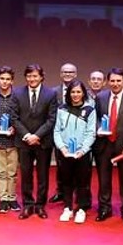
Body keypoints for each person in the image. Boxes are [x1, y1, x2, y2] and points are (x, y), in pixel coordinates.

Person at [92, 67, 123, 223]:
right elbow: (95, 118)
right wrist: (98, 129)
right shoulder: (100, 97)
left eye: (118, 81)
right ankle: (104, 208)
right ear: (108, 82)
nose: (115, 83)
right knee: (103, 180)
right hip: (104, 144)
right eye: (112, 81)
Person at [12, 64, 58, 220]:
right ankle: (27, 204)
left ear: (41, 77)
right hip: (24, 141)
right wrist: (27, 136)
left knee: (43, 175)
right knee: (26, 174)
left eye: (35, 76)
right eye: (29, 76)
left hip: (43, 142)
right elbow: (14, 118)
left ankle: (40, 205)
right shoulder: (17, 93)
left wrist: (37, 136)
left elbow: (51, 119)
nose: (32, 79)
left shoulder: (51, 94)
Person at [53, 80, 96, 224]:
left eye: (78, 92)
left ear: (83, 93)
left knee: (82, 182)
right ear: (69, 93)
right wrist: (62, 148)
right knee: (66, 182)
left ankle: (82, 209)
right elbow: (57, 131)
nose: (75, 94)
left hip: (82, 154)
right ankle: (68, 208)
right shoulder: (62, 109)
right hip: (65, 153)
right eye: (73, 92)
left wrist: (83, 150)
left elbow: (91, 133)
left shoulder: (90, 110)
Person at [0, 66, 21, 213]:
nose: (5, 82)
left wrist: (15, 128)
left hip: (13, 139)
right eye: (2, 79)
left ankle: (12, 198)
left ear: (12, 81)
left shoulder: (18, 95)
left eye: (8, 79)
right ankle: (3, 199)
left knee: (12, 172)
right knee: (1, 171)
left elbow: (21, 115)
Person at [50, 62, 79, 204]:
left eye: (71, 72)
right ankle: (61, 192)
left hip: (77, 135)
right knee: (61, 165)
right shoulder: (53, 92)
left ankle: (77, 193)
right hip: (60, 135)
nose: (68, 74)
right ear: (61, 74)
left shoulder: (80, 91)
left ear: (76, 74)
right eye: (65, 72)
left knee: (77, 166)